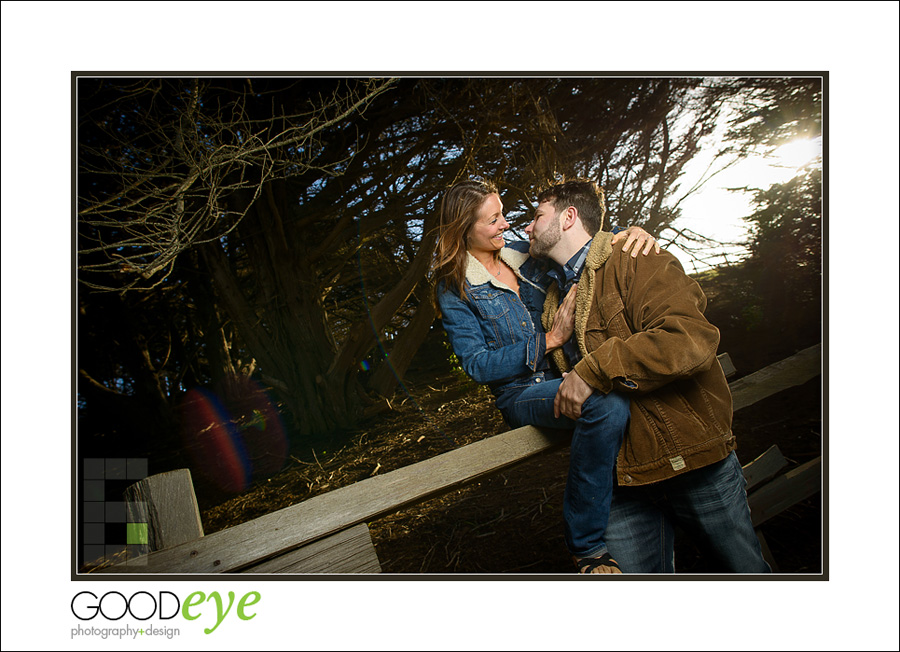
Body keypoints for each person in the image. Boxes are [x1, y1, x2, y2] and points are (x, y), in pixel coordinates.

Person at [525, 178, 771, 573]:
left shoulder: (634, 257)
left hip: (689, 461)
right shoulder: (554, 299)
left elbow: (689, 337)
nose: (527, 228)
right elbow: (491, 247)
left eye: (537, 217)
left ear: (569, 217)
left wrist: (594, 369)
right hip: (619, 483)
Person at [434, 179, 657, 574]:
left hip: (566, 374)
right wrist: (549, 340)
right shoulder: (454, 288)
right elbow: (477, 365)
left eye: (502, 213)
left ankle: (649, 516)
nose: (506, 224)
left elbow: (582, 244)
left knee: (624, 393)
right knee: (604, 402)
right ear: (464, 229)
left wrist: (627, 235)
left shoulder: (524, 253)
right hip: (520, 392)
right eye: (493, 219)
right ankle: (587, 545)